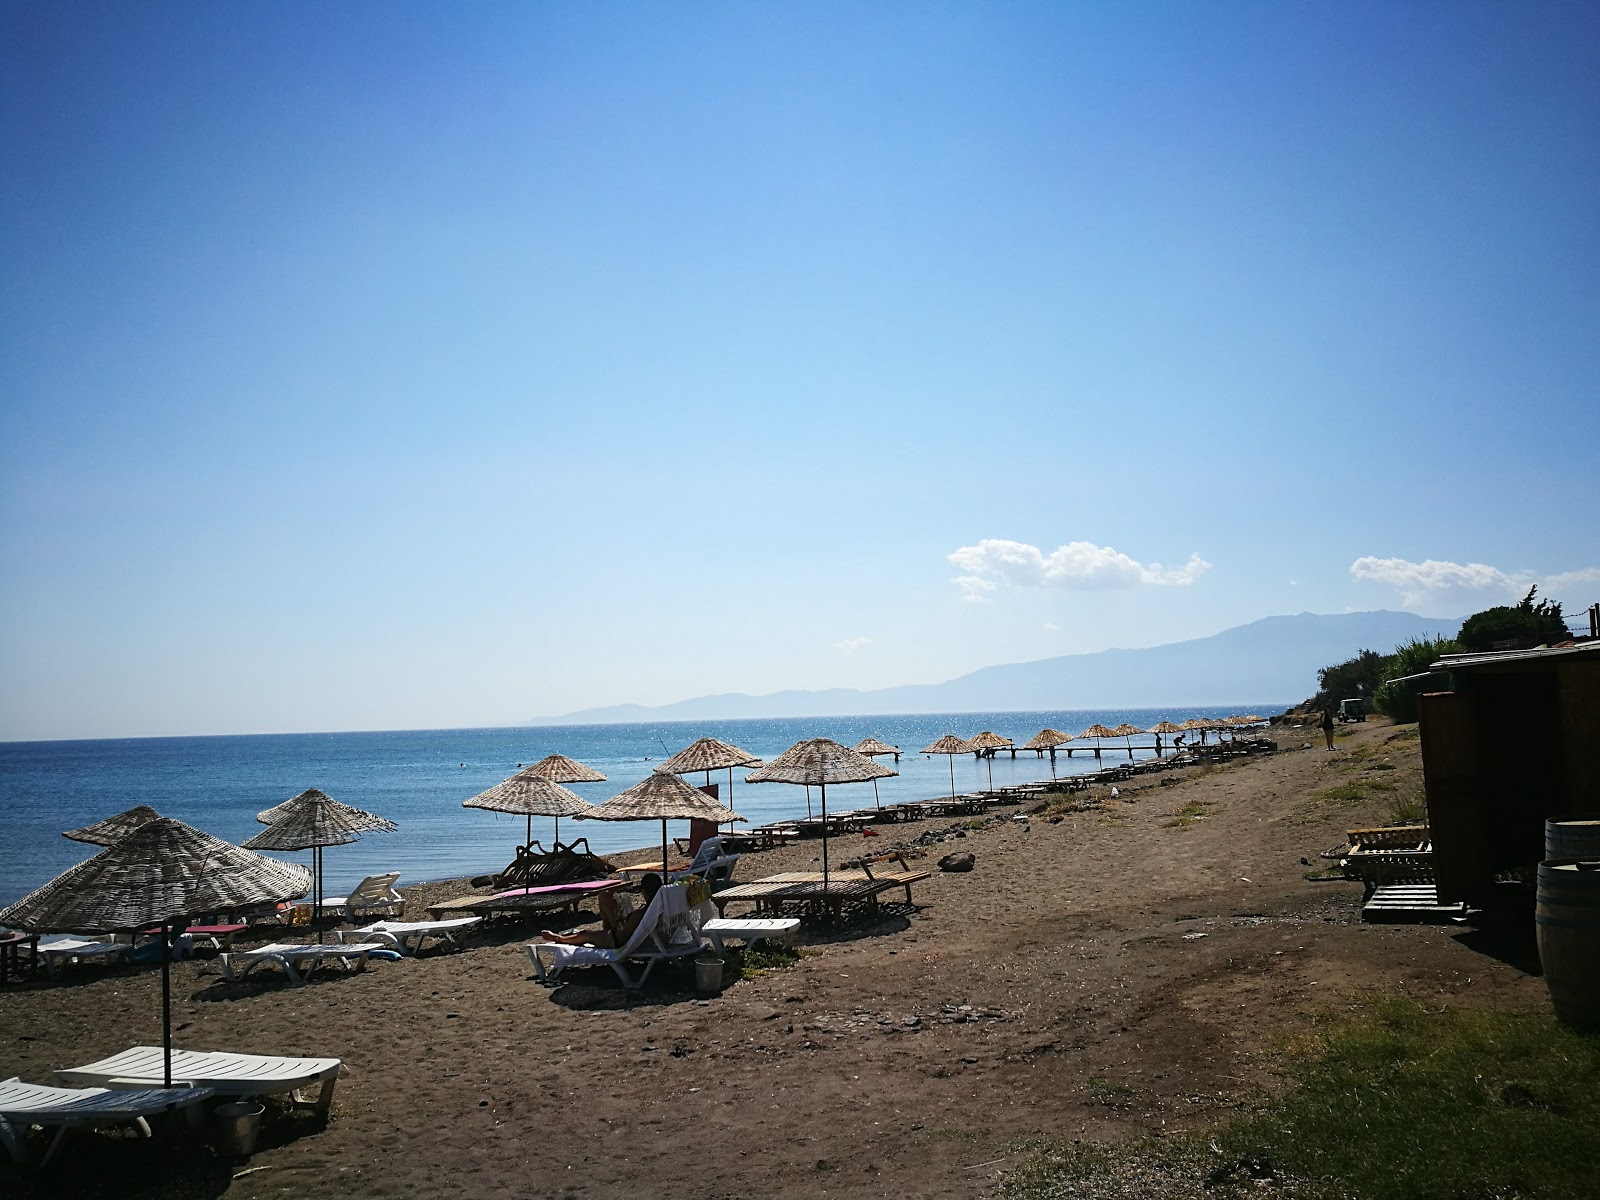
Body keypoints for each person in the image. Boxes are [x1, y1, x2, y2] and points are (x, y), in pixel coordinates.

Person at [537, 873, 661, 948]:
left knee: (585, 934)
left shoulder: (641, 914)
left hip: (618, 942)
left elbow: (622, 937)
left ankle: (557, 938)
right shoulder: (660, 908)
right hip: (640, 940)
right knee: (605, 897)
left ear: (644, 892)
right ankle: (602, 932)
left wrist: (618, 919)